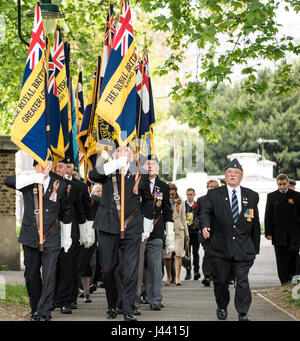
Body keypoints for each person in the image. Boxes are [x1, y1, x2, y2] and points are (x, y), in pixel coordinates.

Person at [89, 146, 153, 321]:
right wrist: (116, 163)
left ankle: (128, 309)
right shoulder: (108, 170)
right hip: (108, 225)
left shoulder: (141, 173)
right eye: (118, 151)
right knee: (108, 270)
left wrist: (147, 225)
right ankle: (112, 305)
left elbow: (148, 200)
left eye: (126, 151)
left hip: (132, 226)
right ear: (114, 155)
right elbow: (92, 176)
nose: (122, 153)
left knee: (130, 270)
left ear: (132, 154)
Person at [4, 158, 71, 321]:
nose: (45, 167)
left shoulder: (60, 184)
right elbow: (8, 181)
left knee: (49, 274)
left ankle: (44, 311)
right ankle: (36, 308)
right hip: (30, 236)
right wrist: (35, 178)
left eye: (48, 164)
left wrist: (67, 237)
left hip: (51, 236)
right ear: (35, 166)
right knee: (31, 274)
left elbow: (66, 212)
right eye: (41, 163)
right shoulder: (28, 181)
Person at [201, 159, 260, 321]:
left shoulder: (252, 196)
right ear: (225, 175)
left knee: (242, 280)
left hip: (243, 246)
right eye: (229, 172)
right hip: (221, 246)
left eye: (236, 173)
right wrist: (205, 226)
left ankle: (243, 311)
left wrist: (255, 247)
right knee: (220, 281)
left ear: (241, 176)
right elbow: (205, 212)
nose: (232, 175)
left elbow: (254, 223)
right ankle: (221, 306)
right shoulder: (214, 194)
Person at [53, 158, 87, 313]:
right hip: (52, 230)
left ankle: (66, 299)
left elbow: (80, 210)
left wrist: (85, 231)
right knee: (53, 266)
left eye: (64, 166)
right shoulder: (48, 185)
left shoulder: (75, 187)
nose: (61, 169)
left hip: (70, 230)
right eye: (58, 166)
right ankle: (53, 298)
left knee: (68, 266)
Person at [141, 155, 173, 311]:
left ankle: (155, 299)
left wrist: (170, 235)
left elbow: (167, 211)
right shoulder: (137, 183)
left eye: (152, 164)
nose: (149, 167)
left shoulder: (164, 187)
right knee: (137, 267)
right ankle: (137, 296)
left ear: (158, 168)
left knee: (155, 267)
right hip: (138, 231)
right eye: (146, 164)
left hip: (156, 231)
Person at [265, 174, 300, 285]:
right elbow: (268, 215)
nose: (282, 186)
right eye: (280, 184)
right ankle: (284, 281)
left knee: (293, 255)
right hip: (278, 233)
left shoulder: (296, 196)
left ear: (288, 183)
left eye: (284, 184)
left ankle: (290, 274)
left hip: (294, 233)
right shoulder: (272, 196)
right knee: (281, 258)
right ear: (277, 183)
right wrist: (268, 232)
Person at [194, 180, 219, 287]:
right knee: (208, 253)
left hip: (219, 232)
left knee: (219, 255)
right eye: (210, 186)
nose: (211, 188)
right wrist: (201, 226)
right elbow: (195, 215)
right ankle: (207, 276)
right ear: (207, 187)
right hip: (206, 233)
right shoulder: (201, 200)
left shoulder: (222, 200)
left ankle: (218, 275)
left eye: (214, 187)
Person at [164, 184, 189, 286]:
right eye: (170, 194)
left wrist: (187, 234)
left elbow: (183, 218)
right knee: (167, 256)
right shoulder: (164, 200)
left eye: (173, 194)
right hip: (167, 229)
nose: (172, 196)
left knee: (178, 255)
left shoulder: (181, 201)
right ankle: (169, 277)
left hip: (179, 230)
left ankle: (178, 278)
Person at [185, 188, 200, 281]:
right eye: (188, 194)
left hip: (195, 232)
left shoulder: (197, 205)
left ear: (194, 195)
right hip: (187, 232)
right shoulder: (184, 204)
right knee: (187, 254)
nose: (189, 196)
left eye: (191, 194)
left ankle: (196, 271)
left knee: (195, 253)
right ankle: (188, 272)